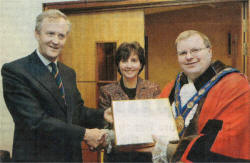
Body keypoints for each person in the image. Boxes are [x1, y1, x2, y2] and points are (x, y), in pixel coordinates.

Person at [1, 9, 112, 162]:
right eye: (50, 34)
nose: (56, 41)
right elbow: (36, 121)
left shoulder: (68, 73)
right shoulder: (15, 71)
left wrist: (103, 115)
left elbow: (77, 111)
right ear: (37, 34)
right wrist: (85, 134)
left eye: (61, 35)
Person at [150, 30, 250, 162]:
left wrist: (167, 150)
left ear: (210, 51)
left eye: (195, 50)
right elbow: (151, 119)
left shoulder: (235, 85)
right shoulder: (172, 87)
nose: (189, 57)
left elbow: (226, 143)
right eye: (183, 53)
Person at [98, 41, 161, 162]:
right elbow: (104, 127)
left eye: (134, 60)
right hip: (118, 156)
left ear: (141, 64)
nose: (129, 65)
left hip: (146, 155)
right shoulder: (106, 91)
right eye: (124, 60)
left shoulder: (153, 88)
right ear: (118, 64)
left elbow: (157, 124)